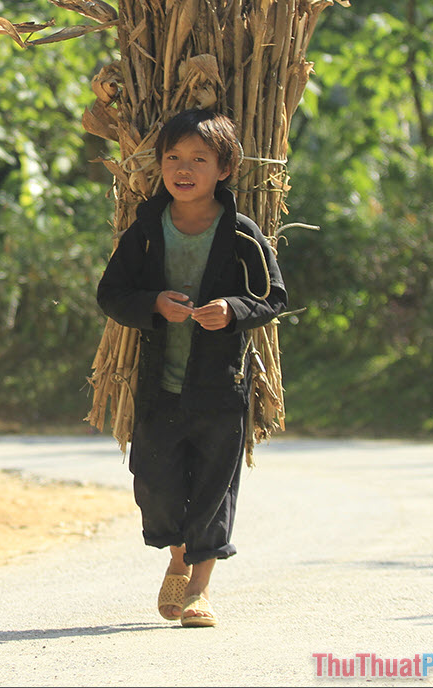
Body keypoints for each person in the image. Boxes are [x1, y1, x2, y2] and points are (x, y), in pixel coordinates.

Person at [96, 108, 287, 628]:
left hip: (220, 384)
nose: (184, 168)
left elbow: (272, 296)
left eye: (199, 159)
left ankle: (199, 589)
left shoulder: (242, 234)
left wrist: (232, 311)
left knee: (212, 487)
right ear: (160, 164)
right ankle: (177, 556)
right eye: (173, 157)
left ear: (224, 169)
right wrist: (154, 303)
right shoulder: (146, 230)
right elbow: (111, 293)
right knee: (153, 483)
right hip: (159, 382)